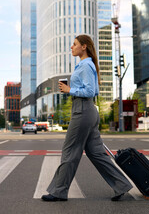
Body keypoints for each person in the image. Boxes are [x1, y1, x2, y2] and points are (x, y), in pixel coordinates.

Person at [41, 35, 132, 202]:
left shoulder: (85, 65)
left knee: (70, 152)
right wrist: (72, 89)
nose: (71, 47)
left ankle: (59, 192)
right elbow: (95, 91)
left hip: (83, 111)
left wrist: (70, 90)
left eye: (74, 44)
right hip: (87, 111)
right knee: (96, 153)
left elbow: (90, 92)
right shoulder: (87, 65)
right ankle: (121, 185)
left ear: (84, 47)